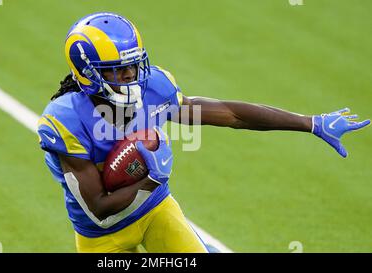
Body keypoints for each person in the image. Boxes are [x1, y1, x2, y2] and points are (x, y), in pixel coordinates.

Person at [37, 12, 370, 253]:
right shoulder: (65, 120)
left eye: (134, 65)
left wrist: (309, 123)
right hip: (101, 236)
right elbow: (99, 207)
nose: (132, 76)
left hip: (153, 211)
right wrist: (152, 178)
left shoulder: (153, 89)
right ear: (89, 74)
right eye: (119, 71)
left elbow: (230, 113)